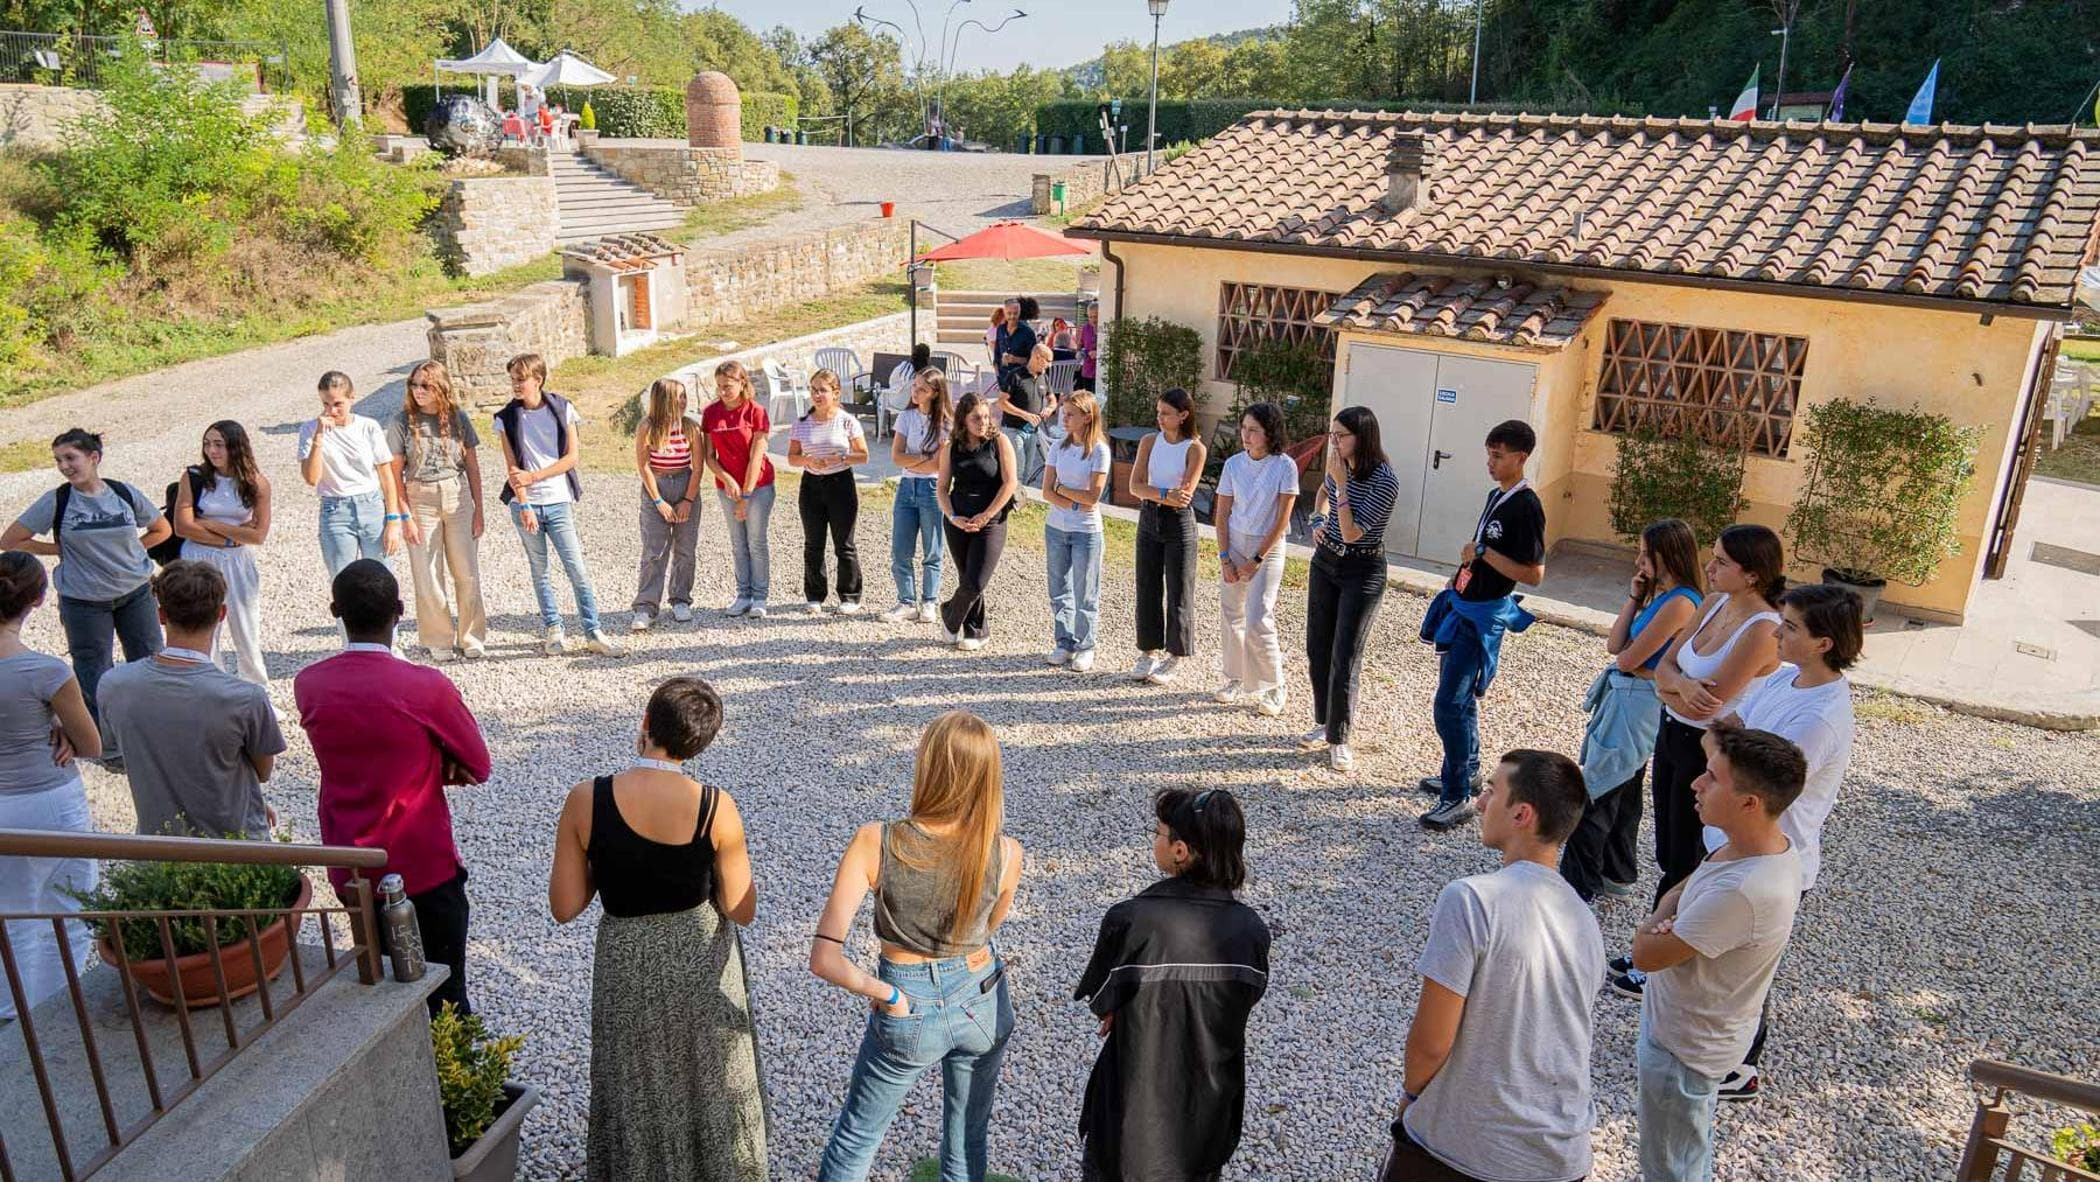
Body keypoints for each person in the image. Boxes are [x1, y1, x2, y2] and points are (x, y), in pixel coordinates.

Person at [549, 677, 767, 1180]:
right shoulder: (717, 806)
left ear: (645, 723)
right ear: (700, 743)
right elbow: (741, 908)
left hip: (625, 956)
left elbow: (566, 905)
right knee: (706, 1074)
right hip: (697, 958)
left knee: (633, 1077)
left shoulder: (587, 799)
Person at [810, 710, 1025, 1181]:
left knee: (856, 1140)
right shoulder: (1007, 852)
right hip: (982, 997)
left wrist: (886, 995)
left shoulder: (876, 841)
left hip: (905, 1003)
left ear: (928, 765)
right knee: (967, 1140)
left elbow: (824, 958)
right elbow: (987, 929)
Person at [1379, 750, 1602, 1182]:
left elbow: (1431, 1042)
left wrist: (1412, 1098)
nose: (1481, 803)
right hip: (1563, 1153)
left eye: (1492, 791)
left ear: (1522, 814)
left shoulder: (1471, 900)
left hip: (1470, 1152)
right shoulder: (1583, 920)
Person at [296, 559, 491, 1016]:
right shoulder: (424, 687)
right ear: (400, 610)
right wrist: (434, 762)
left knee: (379, 989)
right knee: (446, 993)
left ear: (334, 611)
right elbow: (478, 764)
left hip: (350, 862)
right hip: (422, 860)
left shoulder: (310, 684)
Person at [1694, 582, 1860, 1101]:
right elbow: (1724, 730)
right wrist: (1726, 752)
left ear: (1823, 643)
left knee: (1746, 970)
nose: (1777, 633)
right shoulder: (1785, 680)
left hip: (1768, 860)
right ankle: (1707, 1047)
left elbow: (1760, 785)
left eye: (1790, 628)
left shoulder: (1819, 719)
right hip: (1731, 841)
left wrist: (1726, 752)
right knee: (1716, 962)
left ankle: (1740, 1066)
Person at [1631, 726, 1806, 1182]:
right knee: (1685, 1150)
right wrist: (1671, 917)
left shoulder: (1744, 891)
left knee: (1672, 1167)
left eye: (1712, 777)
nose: (1696, 783)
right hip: (1689, 1031)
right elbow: (1688, 886)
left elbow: (1645, 956)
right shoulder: (1760, 848)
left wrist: (1657, 921)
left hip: (1684, 1049)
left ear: (1751, 803)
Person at [1074, 788, 1270, 1182]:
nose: (1155, 840)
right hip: (1208, 1119)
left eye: (1159, 832)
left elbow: (1102, 1001)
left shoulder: (1131, 920)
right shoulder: (1252, 931)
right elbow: (1243, 999)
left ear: (1181, 851)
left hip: (1129, 1119)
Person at [1626, 523, 1785, 918]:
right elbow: (1664, 664)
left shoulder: (1763, 628)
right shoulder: (1712, 602)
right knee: (1665, 845)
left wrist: (1672, 687)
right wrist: (1678, 685)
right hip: (1669, 734)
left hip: (1705, 749)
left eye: (1721, 562)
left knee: (1685, 852)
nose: (1709, 568)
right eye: (1712, 557)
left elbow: (1708, 702)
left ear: (1752, 574)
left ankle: (1664, 936)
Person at [1565, 519, 1704, 903]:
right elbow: (1615, 645)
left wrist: (1631, 659)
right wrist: (1634, 596)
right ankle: (1616, 873)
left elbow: (1626, 659)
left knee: (1597, 788)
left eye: (1647, 554)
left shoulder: (1680, 602)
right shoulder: (1663, 596)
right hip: (1632, 697)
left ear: (1669, 556)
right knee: (1624, 791)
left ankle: (1579, 886)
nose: (1639, 561)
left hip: (1637, 703)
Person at [1419, 420, 1547, 832]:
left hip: (1482, 617)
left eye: (1498, 456)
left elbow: (1534, 574)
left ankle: (1455, 795)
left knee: (1449, 704)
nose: (1490, 463)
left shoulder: (1527, 506)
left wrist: (1483, 553)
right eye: (1488, 454)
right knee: (1460, 699)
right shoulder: (1498, 496)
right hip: (1463, 605)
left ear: (1520, 458)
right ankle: (1468, 770)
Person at [99, 561, 284, 840]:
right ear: (221, 613)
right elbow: (262, 771)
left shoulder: (114, 685)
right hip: (236, 847)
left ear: (161, 615)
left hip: (158, 845)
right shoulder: (246, 698)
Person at [2, 428, 171, 730]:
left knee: (148, 663)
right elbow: (12, 540)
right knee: (94, 673)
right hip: (84, 602)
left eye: (70, 458)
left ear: (93, 458)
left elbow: (162, 529)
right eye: (58, 461)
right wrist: (59, 549)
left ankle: (151, 730)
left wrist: (132, 549)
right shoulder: (58, 500)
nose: (65, 466)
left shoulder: (123, 493)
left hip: (136, 593)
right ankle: (104, 742)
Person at [0, 551, 102, 1023]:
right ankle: (57, 1010)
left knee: (11, 916)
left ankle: (10, 1013)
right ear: (38, 600)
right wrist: (60, 718)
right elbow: (91, 744)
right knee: (70, 909)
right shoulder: (46, 671)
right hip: (49, 798)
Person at [494, 352, 622, 657]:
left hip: (557, 500)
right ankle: (554, 629)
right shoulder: (505, 418)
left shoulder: (563, 409)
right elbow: (512, 468)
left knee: (576, 568)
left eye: (520, 378)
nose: (515, 384)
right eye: (512, 378)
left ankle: (593, 631)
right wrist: (524, 504)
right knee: (540, 571)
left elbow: (572, 458)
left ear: (537, 379)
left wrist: (534, 476)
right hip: (526, 505)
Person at [1300, 406, 1399, 773]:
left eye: (1341, 435)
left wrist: (1341, 486)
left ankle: (1340, 738)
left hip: (1362, 567)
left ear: (1363, 437)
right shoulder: (1340, 468)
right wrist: (1316, 520)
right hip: (1326, 561)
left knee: (1346, 653)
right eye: (1332, 435)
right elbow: (1322, 497)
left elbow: (1354, 529)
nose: (1335, 442)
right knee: (1317, 646)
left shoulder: (1384, 480)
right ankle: (1324, 721)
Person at [388, 361, 488, 661]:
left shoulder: (458, 418)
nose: (418, 391)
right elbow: (394, 475)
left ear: (440, 387)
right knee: (428, 574)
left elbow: (472, 466)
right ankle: (438, 638)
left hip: (457, 494)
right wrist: (403, 515)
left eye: (425, 385)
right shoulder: (401, 421)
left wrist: (479, 509)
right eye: (414, 385)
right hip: (420, 497)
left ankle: (471, 635)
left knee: (467, 572)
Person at [1213, 402, 1299, 719]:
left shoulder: (1284, 466)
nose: (1246, 435)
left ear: (1269, 433)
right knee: (1230, 610)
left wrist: (1257, 558)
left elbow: (1282, 519)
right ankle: (1235, 676)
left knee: (1258, 615)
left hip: (1269, 545)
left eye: (1254, 430)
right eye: (1244, 428)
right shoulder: (1233, 465)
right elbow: (1221, 514)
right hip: (1234, 540)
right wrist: (1225, 558)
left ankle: (1275, 684)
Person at [1127, 388, 1206, 687]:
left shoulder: (1194, 449)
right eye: (1158, 412)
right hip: (1149, 517)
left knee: (1179, 588)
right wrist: (1162, 493)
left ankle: (1175, 654)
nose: (1159, 418)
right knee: (1146, 584)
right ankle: (1147, 650)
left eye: (1166, 413)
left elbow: (1184, 498)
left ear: (1183, 415)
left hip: (1179, 524)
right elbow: (1135, 486)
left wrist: (1166, 495)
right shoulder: (1149, 441)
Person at [299, 371, 404, 577]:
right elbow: (311, 479)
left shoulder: (368, 427)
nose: (332, 411)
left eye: (338, 404)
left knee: (380, 577)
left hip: (371, 505)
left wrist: (393, 520)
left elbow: (386, 475)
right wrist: (318, 437)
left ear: (351, 398)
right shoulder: (309, 429)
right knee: (342, 578)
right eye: (326, 404)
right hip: (335, 508)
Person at [938, 393, 1021, 652]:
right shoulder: (951, 447)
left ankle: (950, 615)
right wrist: (953, 516)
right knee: (967, 576)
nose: (982, 422)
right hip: (958, 519)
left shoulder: (999, 442)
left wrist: (986, 515)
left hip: (992, 519)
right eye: (976, 418)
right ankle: (976, 630)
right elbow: (942, 488)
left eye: (986, 416)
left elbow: (1010, 483)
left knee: (975, 580)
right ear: (963, 419)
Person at [790, 369, 871, 615]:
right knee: (813, 543)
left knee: (844, 543)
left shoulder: (847, 421)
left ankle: (849, 595)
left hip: (841, 484)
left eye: (822, 390)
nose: (817, 394)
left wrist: (843, 456)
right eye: (813, 389)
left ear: (835, 393)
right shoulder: (801, 423)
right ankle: (814, 595)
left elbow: (864, 456)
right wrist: (807, 461)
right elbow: (792, 457)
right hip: (811, 485)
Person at [1042, 390, 1112, 673]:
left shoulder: (1099, 451)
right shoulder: (1058, 447)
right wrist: (1072, 501)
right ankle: (1064, 641)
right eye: (1063, 413)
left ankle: (1086, 645)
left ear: (1087, 417)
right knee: (1059, 588)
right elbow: (1047, 490)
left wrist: (1064, 492)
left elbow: (1093, 497)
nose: (1065, 418)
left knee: (1086, 591)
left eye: (1071, 414)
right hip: (1056, 527)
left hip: (1086, 532)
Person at [703, 360, 777, 619]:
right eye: (720, 386)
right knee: (737, 543)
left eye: (728, 386)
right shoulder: (711, 413)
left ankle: (760, 596)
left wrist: (745, 494)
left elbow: (757, 457)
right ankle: (742, 594)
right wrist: (727, 480)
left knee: (756, 541)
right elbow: (709, 457)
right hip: (728, 488)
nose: (723, 391)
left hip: (758, 487)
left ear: (742, 382)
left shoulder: (755, 412)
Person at [630, 377, 704, 631]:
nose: (682, 402)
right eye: (677, 397)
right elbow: (644, 466)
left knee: (685, 548)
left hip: (684, 483)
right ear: (663, 401)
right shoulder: (647, 427)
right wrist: (658, 500)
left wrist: (688, 500)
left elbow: (697, 468)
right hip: (657, 486)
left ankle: (681, 598)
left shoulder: (691, 428)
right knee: (654, 550)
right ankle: (646, 606)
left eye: (684, 397)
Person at [884, 366, 953, 624]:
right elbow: (896, 457)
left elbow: (938, 465)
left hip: (932, 489)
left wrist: (916, 461)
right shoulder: (906, 418)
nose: (915, 392)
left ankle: (929, 601)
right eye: (914, 386)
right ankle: (906, 600)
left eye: (922, 389)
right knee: (901, 549)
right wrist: (924, 458)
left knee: (932, 549)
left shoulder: (946, 424)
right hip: (906, 487)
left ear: (935, 393)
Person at [997, 343, 1053, 487]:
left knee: (1027, 471)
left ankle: (1021, 500)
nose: (1048, 366)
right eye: (1047, 361)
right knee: (1018, 470)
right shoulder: (1015, 376)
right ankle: (1010, 501)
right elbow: (1001, 403)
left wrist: (1049, 409)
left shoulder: (1043, 378)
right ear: (1037, 357)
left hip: (1033, 431)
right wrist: (1025, 415)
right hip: (1013, 429)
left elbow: (1052, 399)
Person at [994, 295, 1038, 395]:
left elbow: (1033, 360)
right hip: (1003, 379)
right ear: (1004, 313)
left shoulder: (1028, 332)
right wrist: (997, 371)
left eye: (1015, 313)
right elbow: (997, 352)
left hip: (1021, 380)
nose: (1012, 316)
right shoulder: (1000, 329)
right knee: (1005, 409)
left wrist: (1015, 359)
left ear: (1020, 312)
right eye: (1009, 313)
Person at [1075, 300, 1100, 393]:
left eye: (1096, 317)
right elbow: (1080, 346)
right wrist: (1081, 353)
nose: (1093, 320)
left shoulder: (1104, 328)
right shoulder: (1085, 328)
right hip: (1088, 370)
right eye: (1090, 317)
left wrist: (1098, 353)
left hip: (1099, 370)